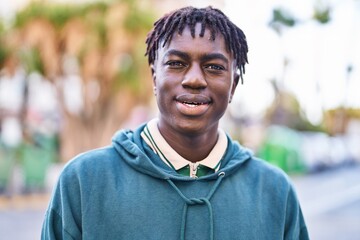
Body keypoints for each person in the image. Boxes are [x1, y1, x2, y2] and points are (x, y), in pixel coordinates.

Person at [41, 6, 309, 240]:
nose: (194, 79)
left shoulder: (275, 191)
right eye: (177, 63)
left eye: (214, 67)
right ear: (154, 78)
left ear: (233, 86)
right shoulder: (84, 180)